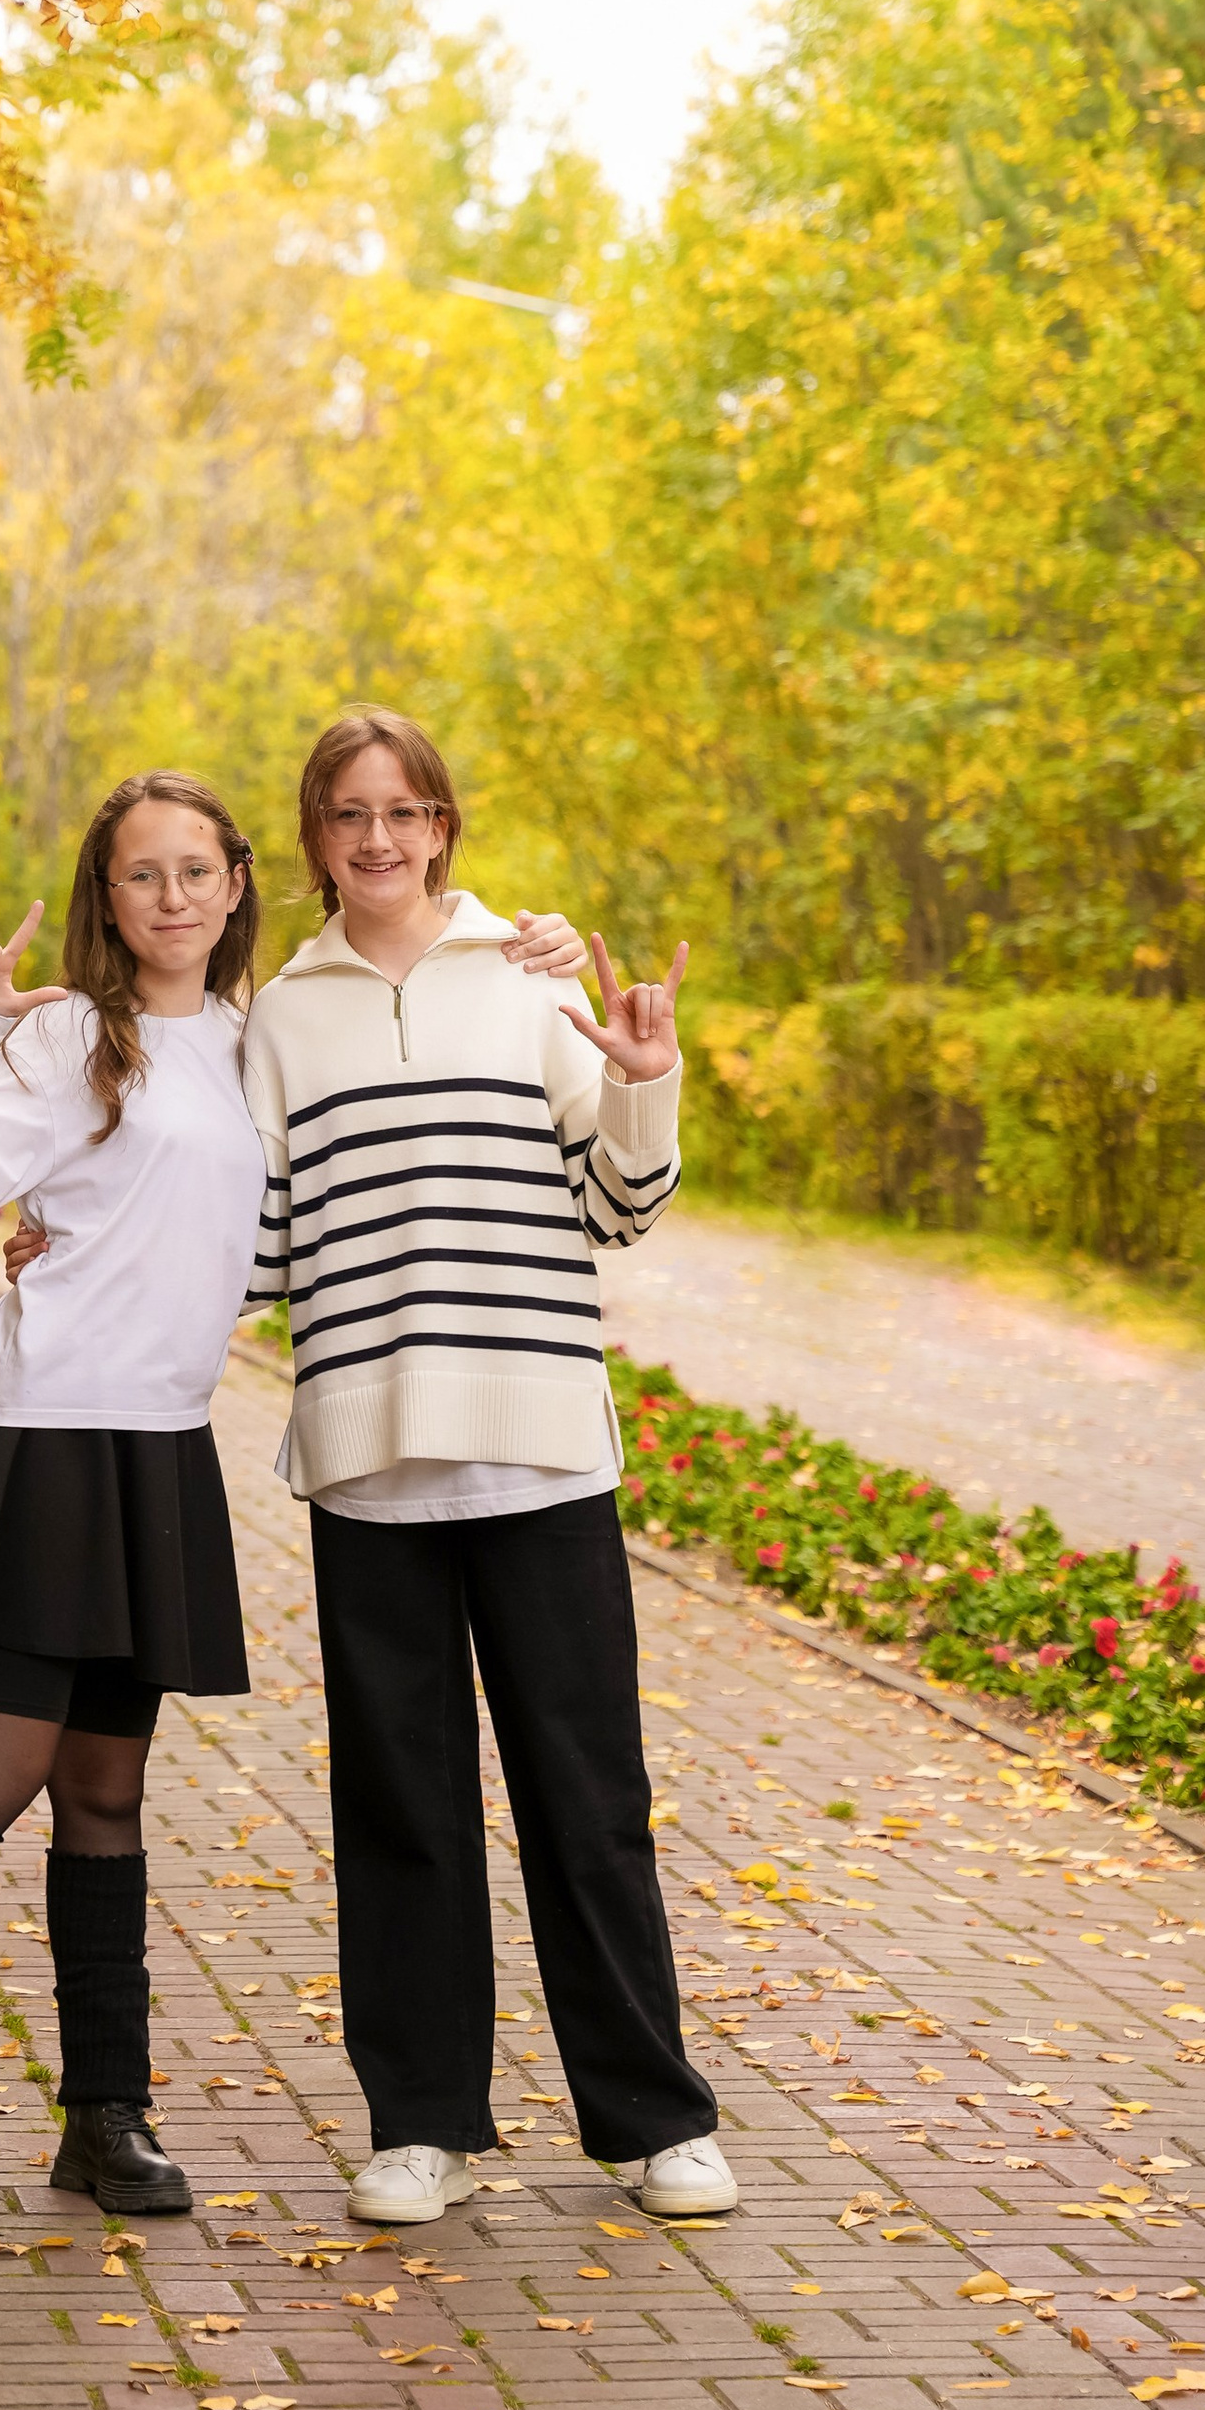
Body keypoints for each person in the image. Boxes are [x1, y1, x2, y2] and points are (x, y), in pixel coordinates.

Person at [0, 765, 591, 2224]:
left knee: (106, 1791)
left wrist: (532, 949)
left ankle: (105, 2119)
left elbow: (278, 1211)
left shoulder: (255, 1042)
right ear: (102, 899)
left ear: (239, 884)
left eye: (196, 870)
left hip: (160, 1444)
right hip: (47, 1431)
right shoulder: (66, 1040)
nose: (171, 897)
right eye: (140, 875)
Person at [241, 704, 728, 2228]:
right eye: (348, 816)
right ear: (317, 842)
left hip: (540, 1448)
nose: (378, 839)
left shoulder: (533, 974)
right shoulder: (283, 1012)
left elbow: (620, 1209)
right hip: (369, 1456)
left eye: (405, 811)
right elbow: (247, 1241)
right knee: (404, 1808)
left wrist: (644, 1075)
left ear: (443, 824)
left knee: (588, 1797)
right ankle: (421, 2122)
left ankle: (655, 2122)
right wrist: (63, 1242)